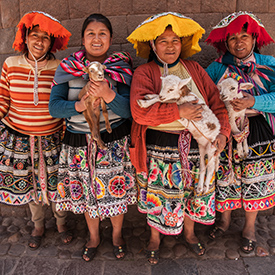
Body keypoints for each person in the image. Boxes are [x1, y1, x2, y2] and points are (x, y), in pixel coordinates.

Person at [127, 12, 230, 265]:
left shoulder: (193, 69)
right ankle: (155, 236)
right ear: (153, 45)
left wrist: (224, 133)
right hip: (160, 145)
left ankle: (190, 232)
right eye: (163, 41)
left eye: (175, 40)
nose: (170, 46)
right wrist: (178, 111)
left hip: (198, 144)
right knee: (159, 194)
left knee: (193, 190)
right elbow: (140, 111)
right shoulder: (145, 72)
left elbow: (216, 102)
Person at [49, 13, 136, 262]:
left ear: (110, 39)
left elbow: (131, 112)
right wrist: (77, 107)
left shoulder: (120, 69)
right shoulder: (68, 68)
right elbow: (54, 108)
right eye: (91, 34)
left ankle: (117, 235)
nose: (96, 39)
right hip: (78, 142)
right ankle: (94, 236)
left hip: (113, 142)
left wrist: (109, 95)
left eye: (102, 34)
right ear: (83, 39)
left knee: (115, 191)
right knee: (89, 195)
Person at [0, 11, 72, 250]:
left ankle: (61, 224)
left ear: (52, 43)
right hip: (20, 140)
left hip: (53, 139)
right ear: (25, 37)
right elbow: (3, 101)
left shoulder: (59, 67)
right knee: (31, 185)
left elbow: (64, 102)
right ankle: (38, 225)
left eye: (45, 38)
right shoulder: (11, 64)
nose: (39, 42)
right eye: (35, 35)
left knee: (57, 185)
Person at [205, 11, 275, 254]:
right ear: (226, 43)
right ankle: (224, 220)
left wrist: (253, 102)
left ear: (254, 39)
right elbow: (206, 97)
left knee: (255, 177)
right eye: (232, 38)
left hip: (259, 129)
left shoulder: (270, 65)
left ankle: (249, 227)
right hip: (226, 128)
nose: (239, 42)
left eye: (244, 36)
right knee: (225, 175)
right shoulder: (216, 69)